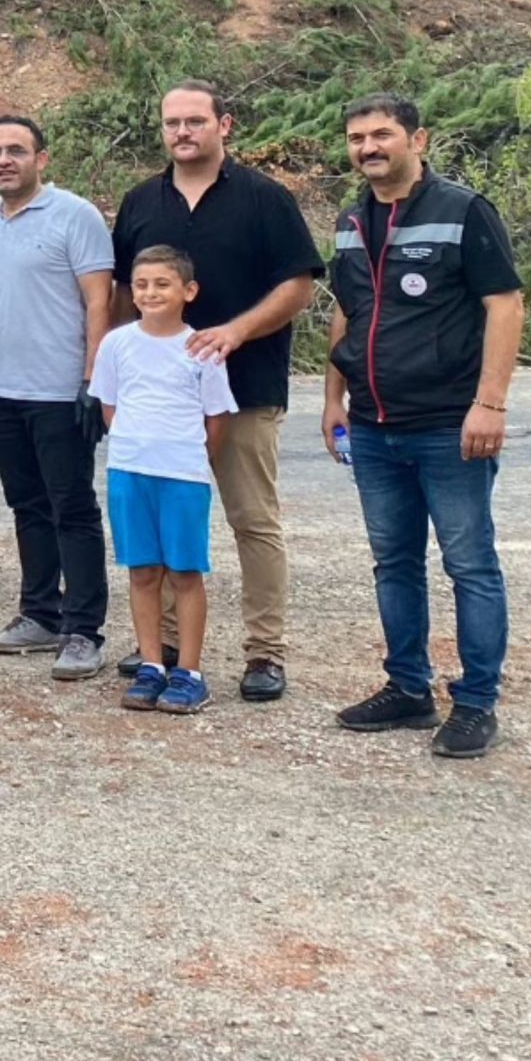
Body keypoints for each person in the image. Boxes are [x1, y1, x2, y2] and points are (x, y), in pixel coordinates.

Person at [324, 94, 524, 761]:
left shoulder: (463, 210)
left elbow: (504, 303)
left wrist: (489, 403)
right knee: (395, 564)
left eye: (382, 134)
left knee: (469, 564)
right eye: (357, 137)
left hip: (448, 426)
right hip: (373, 427)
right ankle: (407, 688)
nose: (368, 146)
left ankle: (475, 703)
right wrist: (334, 398)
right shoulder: (351, 219)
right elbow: (347, 311)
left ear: (418, 139)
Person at [111, 80, 322, 701]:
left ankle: (264, 652)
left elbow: (298, 288)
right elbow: (127, 293)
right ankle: (167, 646)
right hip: (156, 403)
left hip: (245, 389)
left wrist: (235, 330)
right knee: (162, 524)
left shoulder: (264, 199)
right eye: (172, 122)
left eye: (195, 121)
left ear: (223, 125)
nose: (183, 132)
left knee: (252, 521)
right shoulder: (141, 201)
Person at [0, 114, 115, 680]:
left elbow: (99, 302)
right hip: (1, 391)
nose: (4, 160)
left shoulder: (74, 215)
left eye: (16, 150)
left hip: (59, 392)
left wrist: (92, 380)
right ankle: (39, 613)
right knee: (26, 506)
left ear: (41, 159)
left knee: (71, 508)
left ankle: (83, 629)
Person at [94, 245, 238, 717]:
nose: (150, 292)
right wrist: (136, 446)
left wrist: (187, 456)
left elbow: (216, 419)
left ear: (188, 291)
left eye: (162, 283)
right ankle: (152, 663)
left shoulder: (203, 349)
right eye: (141, 284)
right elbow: (110, 405)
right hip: (130, 471)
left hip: (182, 475)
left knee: (183, 572)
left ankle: (189, 673)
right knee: (142, 570)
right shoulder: (116, 343)